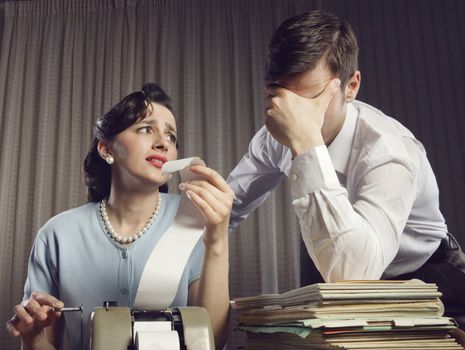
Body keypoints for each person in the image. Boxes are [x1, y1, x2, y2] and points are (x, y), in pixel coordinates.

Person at [227, 10, 465, 325]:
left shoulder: (388, 153)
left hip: (427, 275)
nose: (293, 116)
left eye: (309, 101)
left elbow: (356, 275)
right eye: (278, 98)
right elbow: (227, 207)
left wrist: (307, 144)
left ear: (350, 87)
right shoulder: (274, 135)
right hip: (343, 255)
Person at [6, 83, 233, 349]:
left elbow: (212, 340)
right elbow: (47, 342)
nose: (163, 143)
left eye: (171, 137)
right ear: (106, 149)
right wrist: (32, 335)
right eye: (146, 129)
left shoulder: (195, 219)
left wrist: (217, 239)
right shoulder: (57, 235)